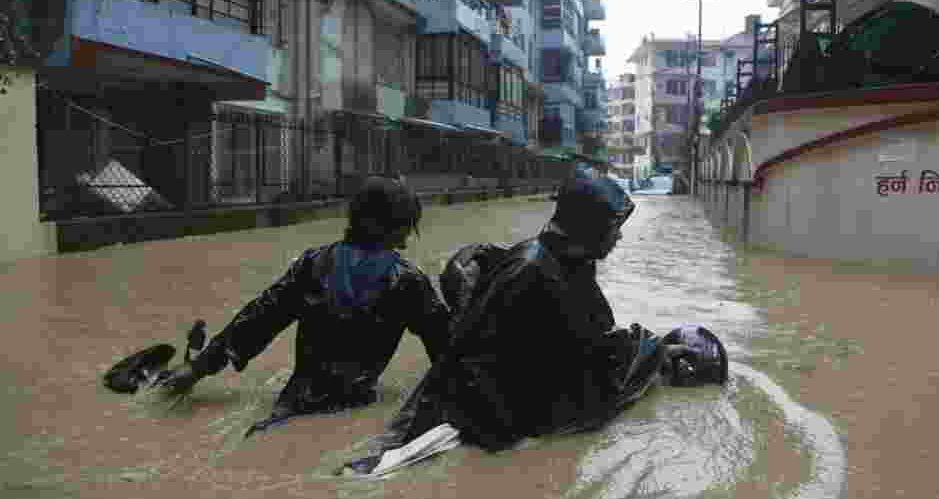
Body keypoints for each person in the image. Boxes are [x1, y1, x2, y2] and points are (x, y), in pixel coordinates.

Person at [375, 173, 669, 453]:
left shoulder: (573, 263)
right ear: (590, 226)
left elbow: (593, 331)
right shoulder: (530, 270)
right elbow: (468, 358)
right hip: (498, 417)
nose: (618, 237)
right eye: (613, 226)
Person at [155, 177, 452, 434]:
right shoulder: (409, 282)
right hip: (354, 410)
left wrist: (197, 368)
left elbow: (259, 318)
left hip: (292, 405)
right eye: (404, 226)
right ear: (392, 228)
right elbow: (447, 350)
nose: (407, 237)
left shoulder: (313, 265)